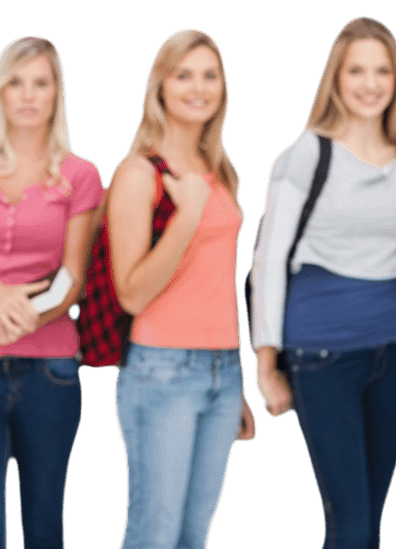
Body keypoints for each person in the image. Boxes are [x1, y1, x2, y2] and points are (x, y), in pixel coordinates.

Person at [249, 16, 396, 549]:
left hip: (394, 353)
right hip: (320, 356)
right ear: (336, 78)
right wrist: (267, 365)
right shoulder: (305, 156)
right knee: (349, 523)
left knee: (369, 519)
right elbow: (267, 261)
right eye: (356, 70)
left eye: (382, 71)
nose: (370, 83)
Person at [0, 35, 103, 549]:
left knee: (45, 529)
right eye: (16, 83)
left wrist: (25, 314)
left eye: (41, 84)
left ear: (57, 94)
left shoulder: (80, 176)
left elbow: (74, 275)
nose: (28, 96)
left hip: (50, 372)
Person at [107, 28, 256, 549]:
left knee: (193, 537)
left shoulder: (220, 172)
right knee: (155, 535)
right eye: (184, 74)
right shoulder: (138, 173)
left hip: (221, 368)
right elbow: (131, 293)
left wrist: (234, 381)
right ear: (160, 87)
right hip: (161, 370)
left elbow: (218, 282)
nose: (199, 87)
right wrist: (185, 215)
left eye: (209, 75)